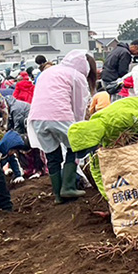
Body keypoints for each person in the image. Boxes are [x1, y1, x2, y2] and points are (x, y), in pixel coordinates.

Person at [28, 50, 96, 203]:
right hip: (59, 115)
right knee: (76, 147)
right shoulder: (76, 76)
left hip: (36, 117)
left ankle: (58, 195)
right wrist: (78, 127)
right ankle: (68, 187)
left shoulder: (47, 72)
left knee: (52, 155)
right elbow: (79, 106)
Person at [67, 96, 138, 197]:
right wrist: (108, 196)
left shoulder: (118, 118)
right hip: (128, 129)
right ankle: (133, 193)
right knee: (125, 161)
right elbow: (97, 171)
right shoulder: (97, 138)